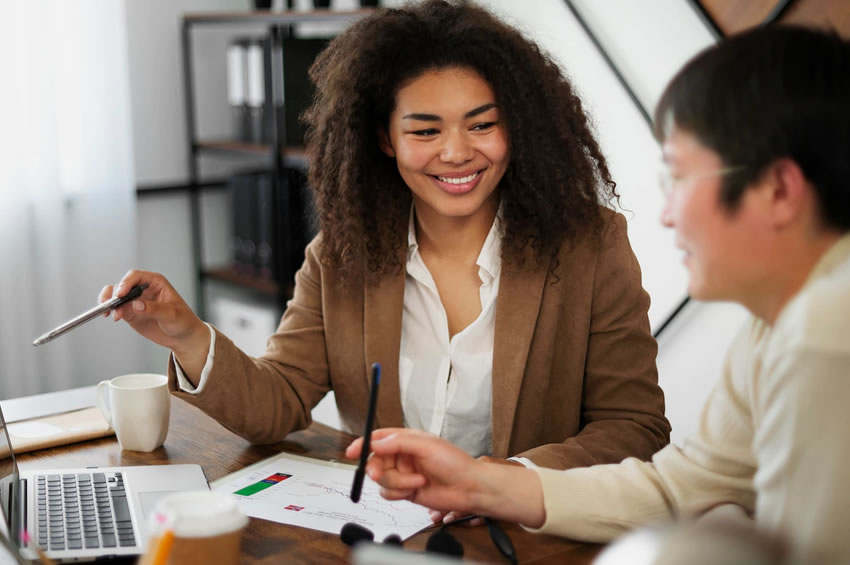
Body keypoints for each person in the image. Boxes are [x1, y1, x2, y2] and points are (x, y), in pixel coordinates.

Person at [345, 25, 850, 564]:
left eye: (678, 177)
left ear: (778, 189)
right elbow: (683, 488)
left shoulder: (823, 330)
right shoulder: (776, 323)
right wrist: (476, 483)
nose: (666, 213)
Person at [101, 0, 669, 470]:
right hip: (388, 531)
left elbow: (633, 425)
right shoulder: (342, 256)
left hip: (526, 538)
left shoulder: (591, 245)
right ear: (384, 139)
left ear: (516, 126)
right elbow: (280, 402)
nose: (456, 152)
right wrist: (186, 334)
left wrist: (503, 480)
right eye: (425, 129)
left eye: (482, 124)